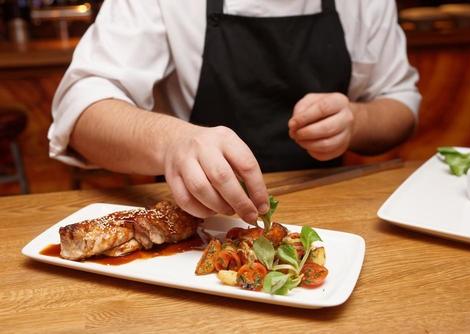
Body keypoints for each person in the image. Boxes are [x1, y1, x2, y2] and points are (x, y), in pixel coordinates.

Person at [49, 0, 421, 224]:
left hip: (333, 214)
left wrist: (357, 121)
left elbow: (401, 103)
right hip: (199, 223)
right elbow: (81, 111)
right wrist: (174, 141)